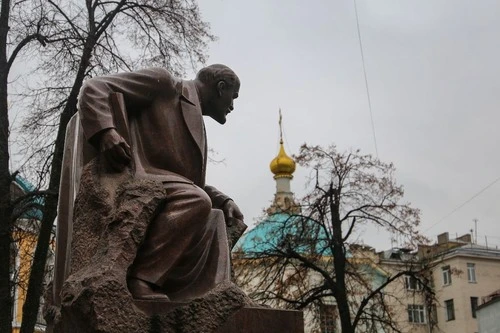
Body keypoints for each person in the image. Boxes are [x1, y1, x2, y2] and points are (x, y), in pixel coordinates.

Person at [77, 64, 244, 301]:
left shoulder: (197, 121)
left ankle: (210, 296)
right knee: (197, 199)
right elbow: (94, 88)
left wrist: (223, 199)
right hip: (142, 176)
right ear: (220, 88)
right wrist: (106, 132)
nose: (232, 106)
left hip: (171, 184)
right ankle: (142, 278)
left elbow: (190, 181)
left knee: (215, 216)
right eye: (233, 97)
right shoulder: (164, 84)